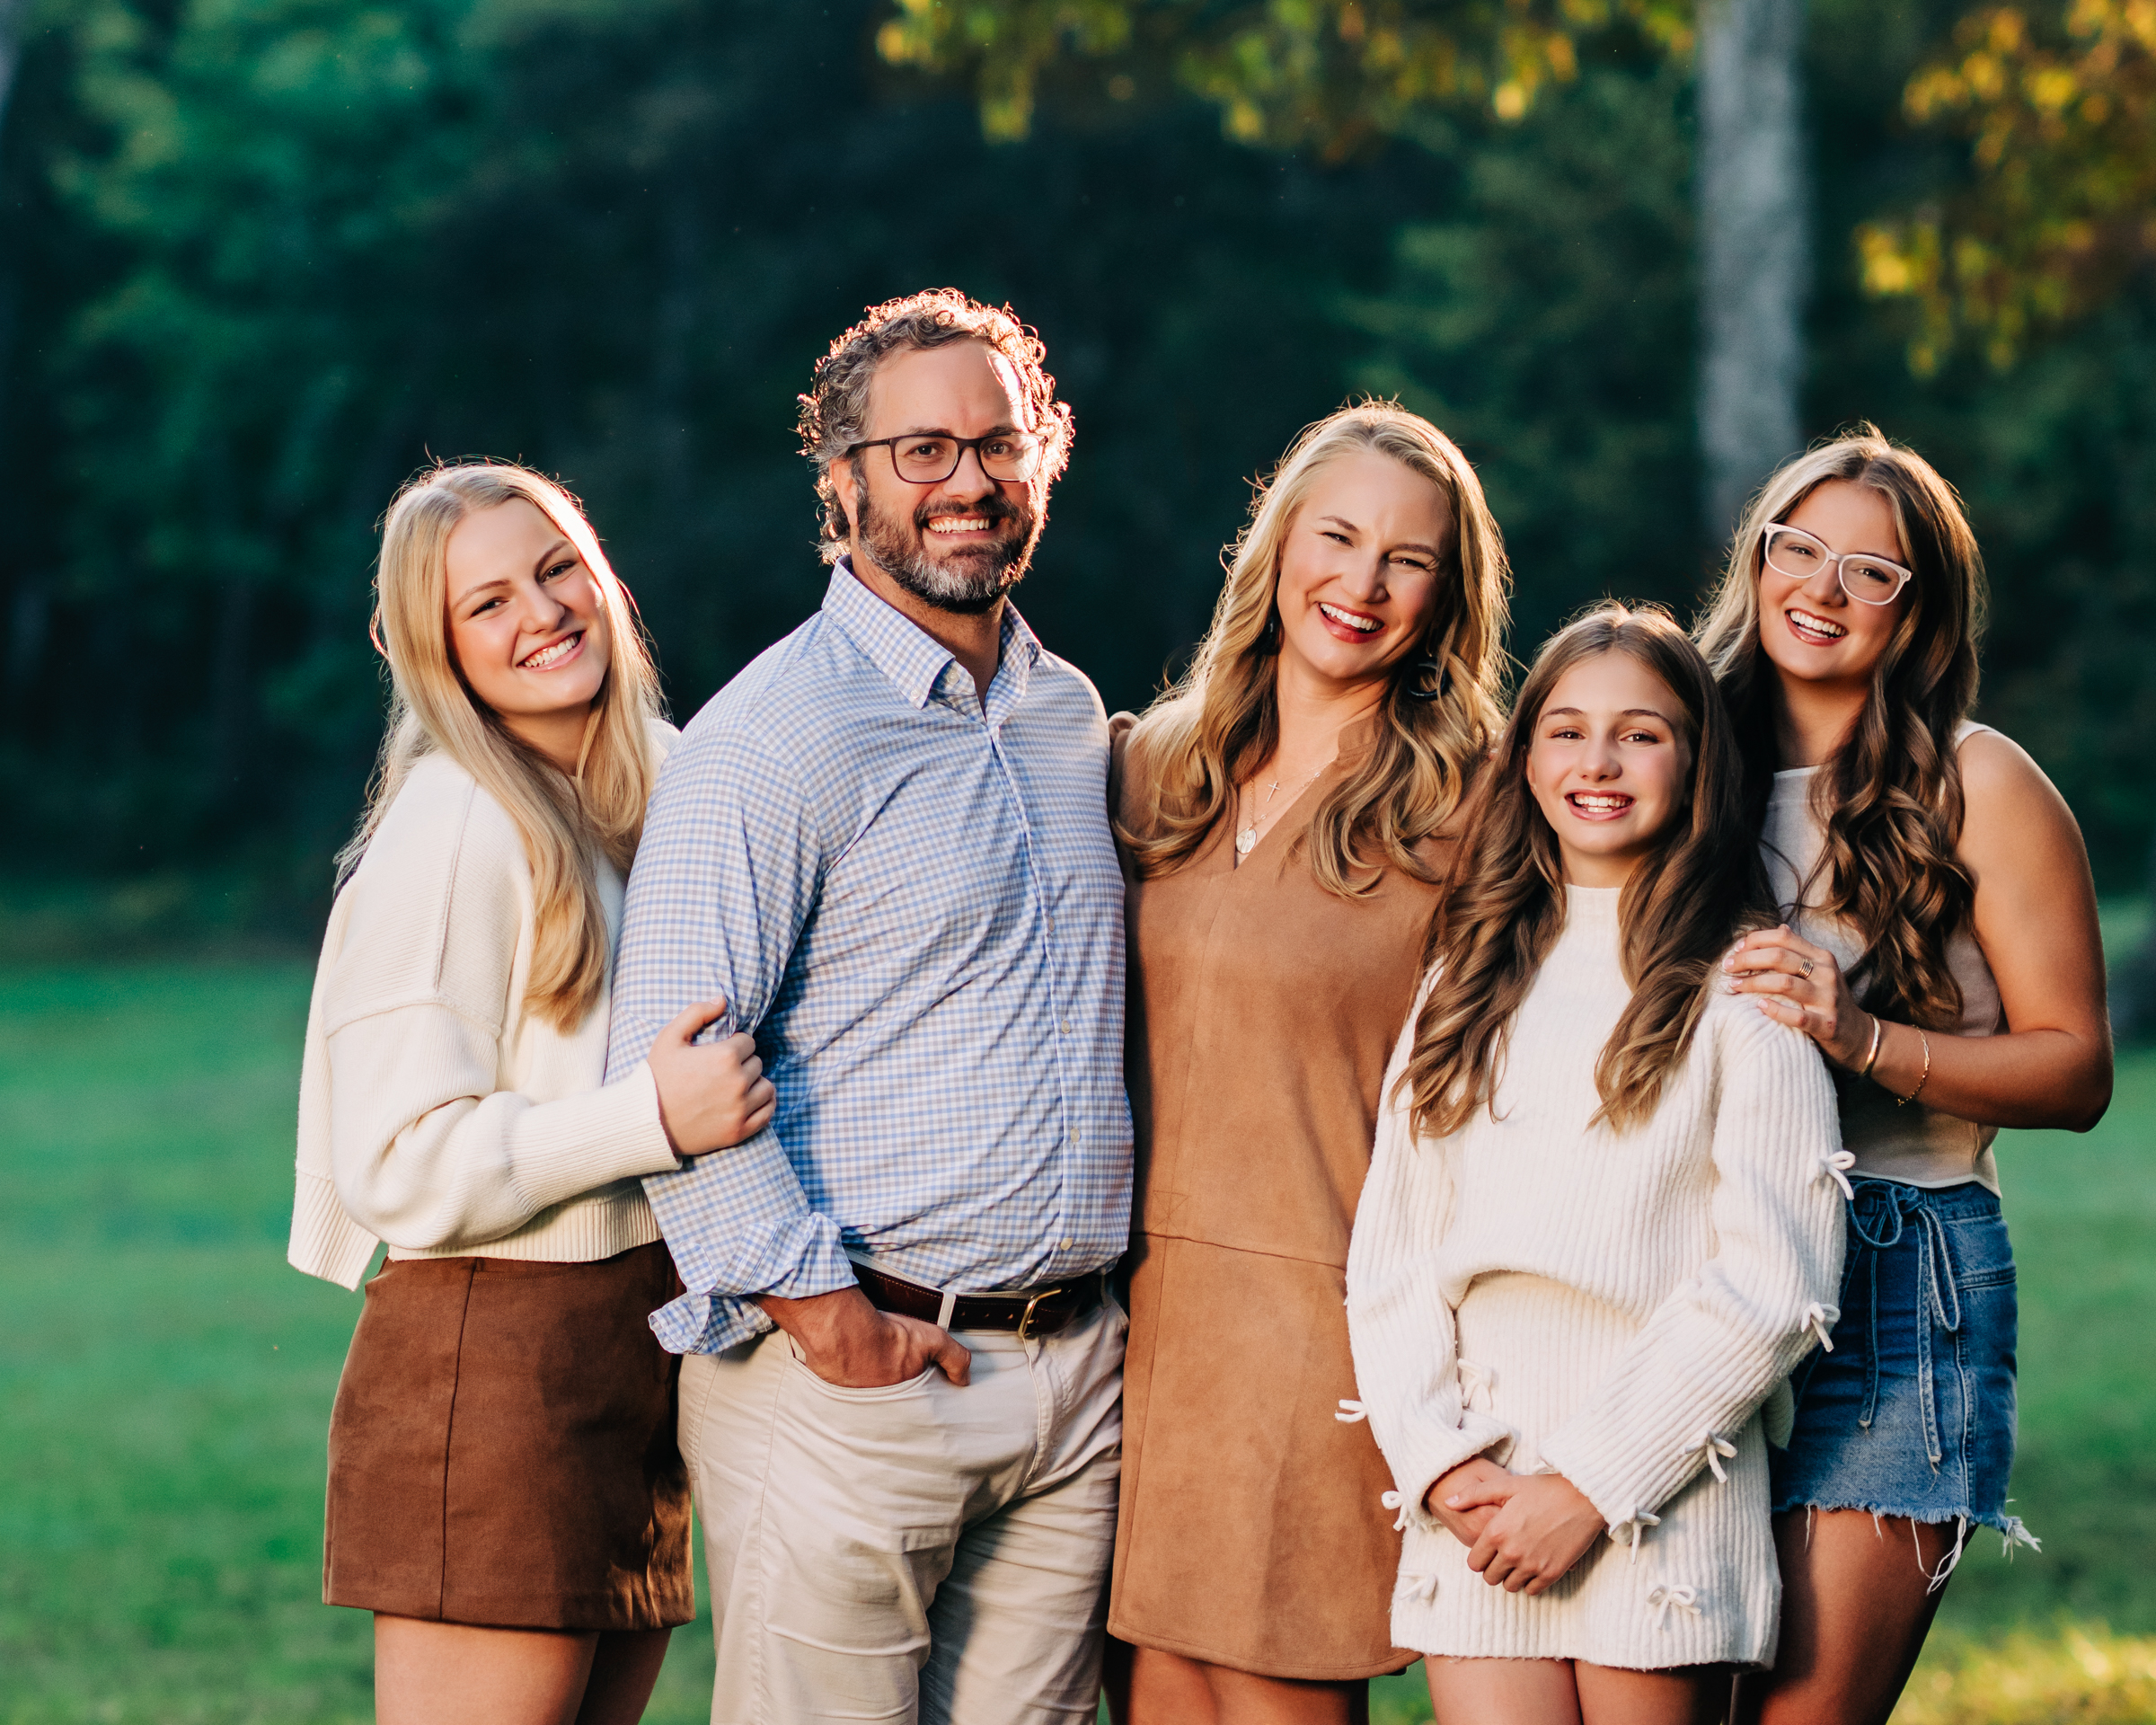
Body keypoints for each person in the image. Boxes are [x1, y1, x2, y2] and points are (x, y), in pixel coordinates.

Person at [605, 288, 1131, 1725]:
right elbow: (673, 1062)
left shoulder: (1066, 714)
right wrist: (828, 1320)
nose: (968, 481)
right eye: (922, 452)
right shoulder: (775, 736)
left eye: (999, 445)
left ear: (1046, 458)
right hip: (851, 1379)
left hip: (1075, 1376)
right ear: (841, 484)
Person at [287, 461, 773, 1725]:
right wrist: (648, 1122)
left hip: (636, 1352)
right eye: (487, 602)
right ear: (430, 647)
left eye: (557, 570)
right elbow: (393, 1161)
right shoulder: (457, 822)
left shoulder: (660, 786)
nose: (542, 613)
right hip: (494, 1363)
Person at [1347, 604, 1847, 1725]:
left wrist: (1587, 1488)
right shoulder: (1468, 981)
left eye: (1642, 733)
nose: (1599, 762)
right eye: (1566, 730)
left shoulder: (1748, 989)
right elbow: (1391, 1261)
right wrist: (1439, 1464)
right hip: (1478, 1493)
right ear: (1524, 758)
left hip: (1662, 1486)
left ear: (1699, 761)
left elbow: (1776, 1285)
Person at [1104, 402, 1510, 1725]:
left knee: (1273, 1691)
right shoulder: (1150, 770)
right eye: (1336, 537)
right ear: (1274, 550)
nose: (1363, 582)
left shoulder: (1479, 805)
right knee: (1151, 1692)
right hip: (1122, 1328)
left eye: (1410, 560)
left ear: (1447, 598)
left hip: (1322, 1315)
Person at [1704, 429, 2113, 1725]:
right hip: (1690, 1262)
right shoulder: (1669, 754)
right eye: (1800, 550)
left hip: (1900, 1274)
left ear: (1922, 610)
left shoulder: (1976, 783)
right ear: (1757, 558)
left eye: (1872, 573)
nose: (1823, 591)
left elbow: (2078, 1069)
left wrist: (1867, 1039)